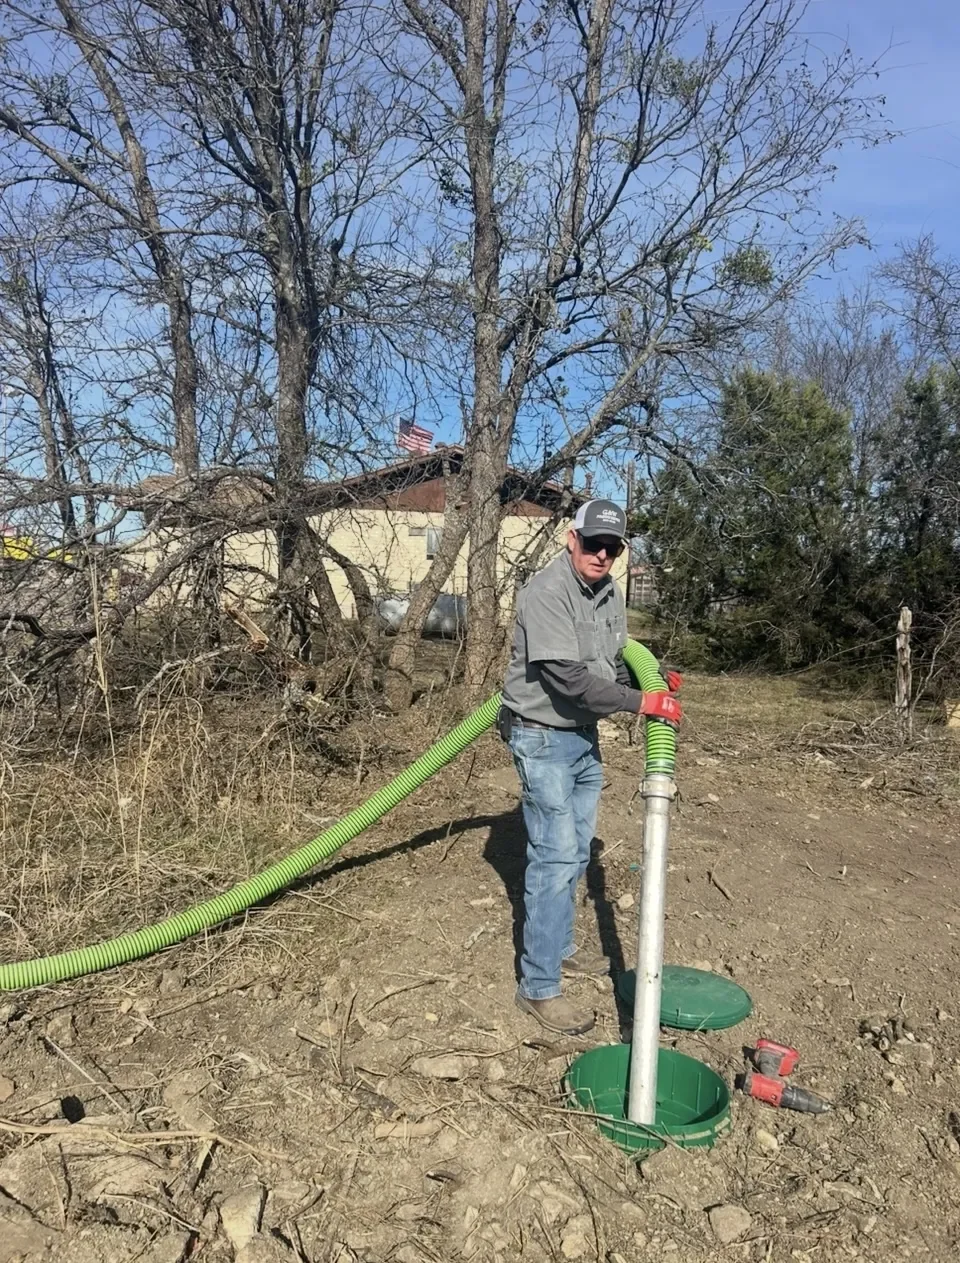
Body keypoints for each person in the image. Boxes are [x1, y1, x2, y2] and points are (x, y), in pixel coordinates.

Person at [499, 498, 682, 1036]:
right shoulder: (547, 594)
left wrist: (652, 678)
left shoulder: (607, 594)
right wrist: (640, 704)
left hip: (581, 736)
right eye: (593, 542)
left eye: (613, 546)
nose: (602, 553)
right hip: (542, 737)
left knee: (577, 849)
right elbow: (567, 679)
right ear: (570, 538)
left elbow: (611, 658)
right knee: (554, 860)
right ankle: (538, 987)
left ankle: (563, 949)